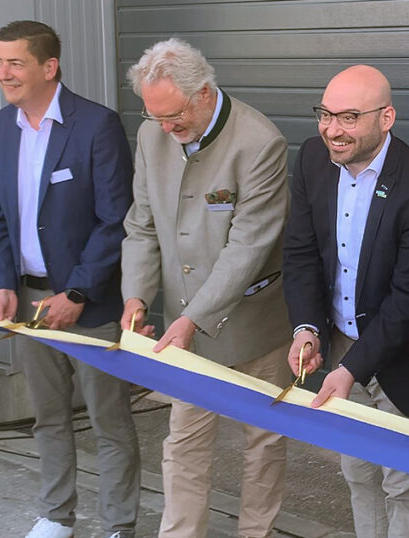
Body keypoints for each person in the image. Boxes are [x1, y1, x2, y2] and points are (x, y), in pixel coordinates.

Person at [120, 38, 293, 538]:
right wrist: (135, 294)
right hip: (184, 328)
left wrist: (192, 318)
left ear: (204, 92)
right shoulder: (152, 137)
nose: (167, 129)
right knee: (184, 441)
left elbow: (248, 247)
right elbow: (143, 226)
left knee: (262, 441)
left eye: (174, 116)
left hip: (256, 324)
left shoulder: (260, 142)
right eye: (156, 118)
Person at [0, 20, 139, 538]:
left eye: (16, 62)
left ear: (49, 67)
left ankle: (118, 524)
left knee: (109, 421)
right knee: (47, 417)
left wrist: (77, 291)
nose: (4, 73)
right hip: (28, 301)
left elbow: (116, 218)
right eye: (0, 61)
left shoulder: (96, 125)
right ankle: (56, 515)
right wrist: (4, 282)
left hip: (88, 304)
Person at [282, 65, 409, 538]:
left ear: (387, 118)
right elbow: (299, 252)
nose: (333, 130)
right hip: (340, 344)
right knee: (358, 474)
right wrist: (307, 328)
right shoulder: (312, 161)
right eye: (325, 114)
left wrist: (351, 369)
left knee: (405, 485)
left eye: (350, 117)